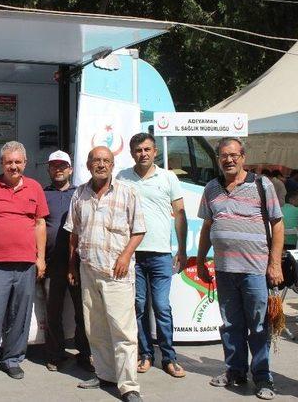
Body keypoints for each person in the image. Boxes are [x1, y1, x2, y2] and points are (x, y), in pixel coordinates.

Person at [196, 137, 283, 400]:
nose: (229, 160)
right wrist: (200, 260)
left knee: (258, 326)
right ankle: (235, 371)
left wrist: (275, 264)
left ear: (243, 157)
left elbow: (277, 225)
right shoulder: (211, 188)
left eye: (234, 155)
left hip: (255, 270)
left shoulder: (261, 184)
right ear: (218, 159)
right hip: (224, 270)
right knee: (230, 324)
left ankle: (262, 377)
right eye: (224, 155)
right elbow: (207, 227)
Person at [65, 146, 146, 402]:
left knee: (123, 331)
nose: (101, 164)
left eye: (106, 161)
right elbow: (74, 233)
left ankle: (129, 386)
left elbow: (139, 230)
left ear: (112, 165)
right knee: (96, 328)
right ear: (88, 165)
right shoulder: (80, 193)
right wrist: (71, 265)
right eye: (96, 160)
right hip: (88, 270)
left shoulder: (127, 192)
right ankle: (106, 375)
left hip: (117, 273)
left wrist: (125, 256)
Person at [0, 141, 49, 386]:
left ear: (24, 163)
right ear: (1, 163)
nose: (13, 166)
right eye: (9, 162)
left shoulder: (35, 188)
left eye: (18, 162)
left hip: (26, 263)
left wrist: (41, 257)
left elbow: (40, 224)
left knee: (19, 315)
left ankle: (12, 360)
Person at [116, 133, 187, 378]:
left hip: (160, 254)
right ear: (131, 153)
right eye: (138, 150)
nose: (142, 154)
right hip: (133, 253)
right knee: (138, 306)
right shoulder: (122, 177)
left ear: (155, 151)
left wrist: (182, 249)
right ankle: (145, 354)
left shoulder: (167, 177)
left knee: (161, 306)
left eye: (147, 149)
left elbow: (180, 214)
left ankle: (169, 357)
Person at [42, 150, 93, 372]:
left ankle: (85, 354)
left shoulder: (81, 193)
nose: (58, 169)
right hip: (52, 263)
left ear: (71, 169)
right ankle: (56, 354)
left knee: (83, 311)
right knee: (53, 311)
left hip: (79, 261)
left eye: (63, 165)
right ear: (49, 169)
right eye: (54, 166)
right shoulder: (42, 194)